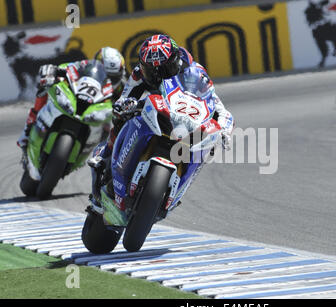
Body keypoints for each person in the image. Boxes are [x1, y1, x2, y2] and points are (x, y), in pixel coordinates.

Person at [87, 34, 234, 212]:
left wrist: (225, 126)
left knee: (208, 146)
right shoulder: (139, 73)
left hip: (182, 115)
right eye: (151, 70)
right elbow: (125, 96)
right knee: (121, 117)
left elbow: (216, 104)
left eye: (163, 69)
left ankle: (177, 191)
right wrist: (123, 106)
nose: (157, 75)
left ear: (175, 62)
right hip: (154, 105)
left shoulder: (194, 72)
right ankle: (105, 156)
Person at [16, 47, 126, 149]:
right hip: (74, 101)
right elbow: (63, 69)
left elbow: (126, 103)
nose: (108, 80)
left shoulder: (122, 87)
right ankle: (29, 126)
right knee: (45, 86)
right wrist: (51, 73)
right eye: (105, 74)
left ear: (120, 74)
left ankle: (98, 154)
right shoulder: (84, 67)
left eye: (113, 77)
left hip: (97, 115)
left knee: (111, 127)